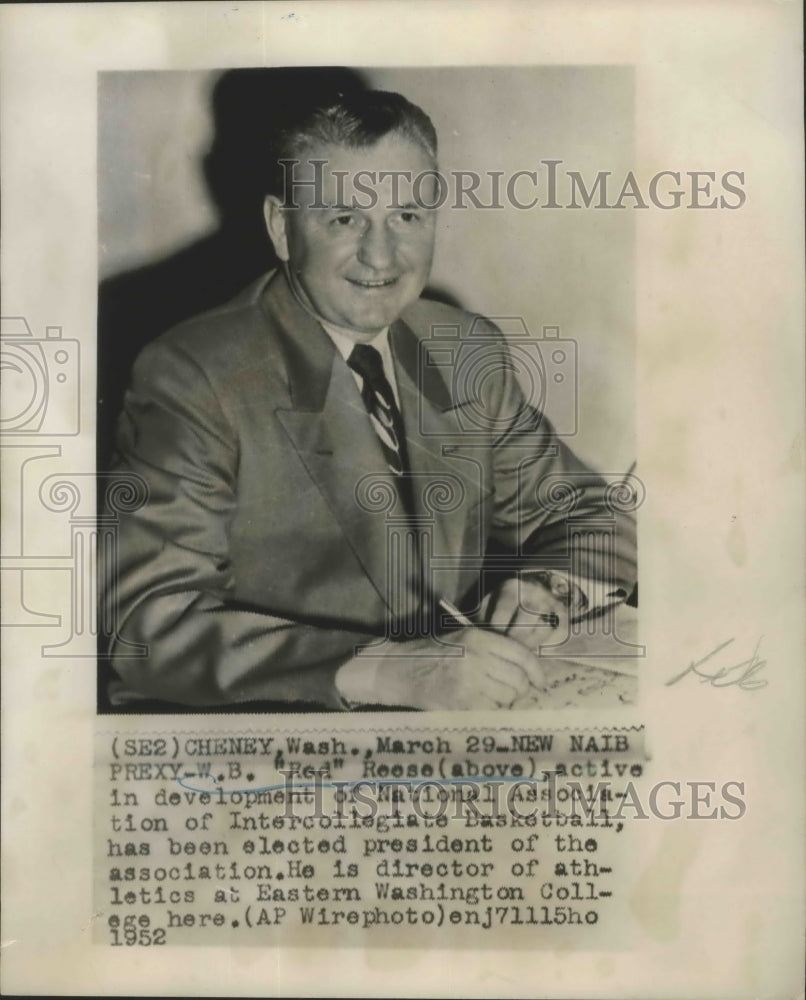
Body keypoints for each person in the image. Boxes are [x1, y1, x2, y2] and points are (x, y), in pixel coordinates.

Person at [103, 89, 636, 712]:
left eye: (407, 216)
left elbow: (595, 515)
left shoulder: (462, 348)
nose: (381, 256)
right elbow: (149, 621)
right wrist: (388, 671)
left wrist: (549, 586)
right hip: (276, 731)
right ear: (281, 227)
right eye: (344, 220)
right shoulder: (194, 375)